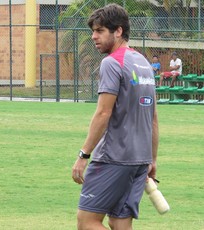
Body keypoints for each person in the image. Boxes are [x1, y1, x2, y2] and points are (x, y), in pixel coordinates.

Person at [71, 4, 159, 230]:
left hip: (113, 158)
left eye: (100, 31)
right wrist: (152, 158)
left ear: (118, 31)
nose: (93, 36)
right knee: (120, 223)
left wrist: (83, 154)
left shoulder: (112, 63)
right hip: (140, 159)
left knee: (87, 221)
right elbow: (153, 118)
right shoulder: (144, 64)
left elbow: (103, 112)